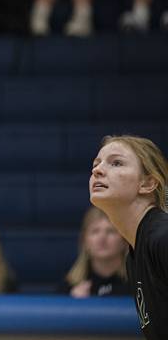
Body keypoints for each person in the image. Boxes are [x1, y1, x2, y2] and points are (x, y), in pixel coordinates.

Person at [90, 135, 168, 339]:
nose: (97, 170)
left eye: (116, 163)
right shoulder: (134, 254)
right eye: (96, 164)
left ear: (148, 183)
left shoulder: (162, 237)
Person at [57, 206, 129, 297]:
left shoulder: (140, 283)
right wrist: (73, 304)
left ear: (125, 240)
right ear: (84, 241)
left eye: (111, 231)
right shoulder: (69, 286)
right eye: (95, 231)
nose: (102, 238)